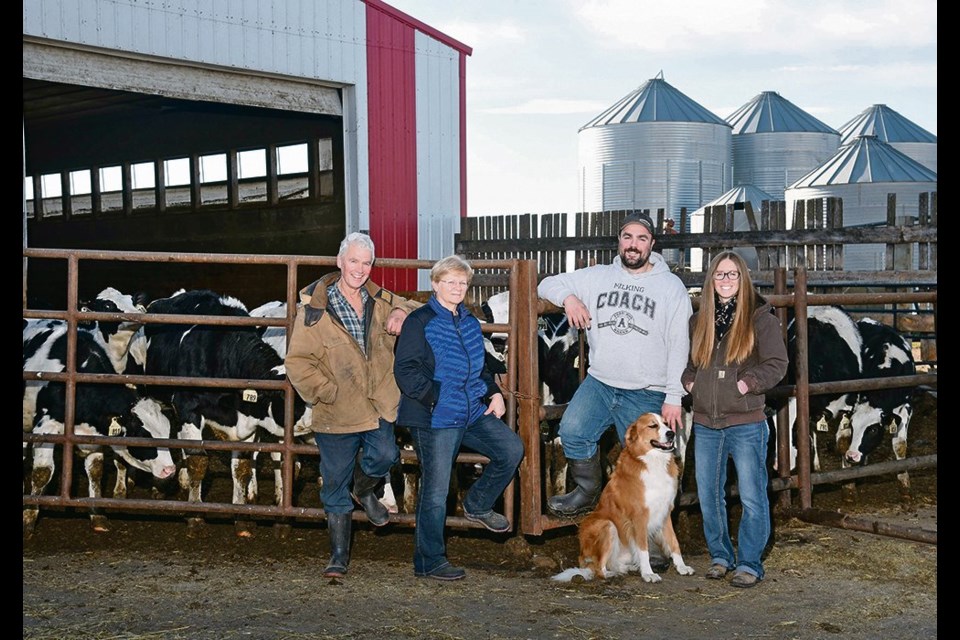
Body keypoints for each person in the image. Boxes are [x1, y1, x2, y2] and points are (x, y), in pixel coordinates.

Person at [537, 212, 693, 517]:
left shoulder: (671, 287)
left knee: (649, 463)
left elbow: (680, 345)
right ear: (619, 241)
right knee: (572, 430)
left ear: (652, 244)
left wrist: (674, 397)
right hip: (601, 383)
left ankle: (657, 536)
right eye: (627, 237)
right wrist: (569, 298)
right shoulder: (597, 276)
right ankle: (587, 492)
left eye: (641, 238)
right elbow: (546, 284)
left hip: (647, 389)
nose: (633, 245)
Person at [285, 232, 419, 579]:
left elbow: (423, 310)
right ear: (340, 262)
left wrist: (403, 311)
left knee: (386, 456)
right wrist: (326, 391)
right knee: (333, 482)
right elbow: (297, 362)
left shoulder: (383, 299)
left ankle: (364, 490)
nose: (360, 269)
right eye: (354, 261)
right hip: (336, 412)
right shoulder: (314, 312)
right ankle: (338, 556)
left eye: (366, 262)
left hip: (378, 406)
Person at [394, 255, 525, 581]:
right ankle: (429, 561)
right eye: (449, 282)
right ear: (435, 284)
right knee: (437, 490)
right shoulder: (419, 321)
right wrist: (435, 397)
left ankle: (478, 504)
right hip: (434, 416)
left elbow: (478, 365)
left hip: (469, 409)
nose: (456, 288)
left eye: (462, 283)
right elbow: (405, 369)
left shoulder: (468, 321)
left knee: (511, 449)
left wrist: (492, 392)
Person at [680, 251, 788, 589]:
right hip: (705, 422)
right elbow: (689, 364)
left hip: (745, 421)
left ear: (743, 280)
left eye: (732, 275)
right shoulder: (699, 321)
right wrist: (690, 383)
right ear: (710, 281)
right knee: (709, 495)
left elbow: (777, 364)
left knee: (753, 495)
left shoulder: (760, 319)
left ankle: (749, 562)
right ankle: (720, 556)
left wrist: (746, 384)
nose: (725, 281)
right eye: (719, 275)